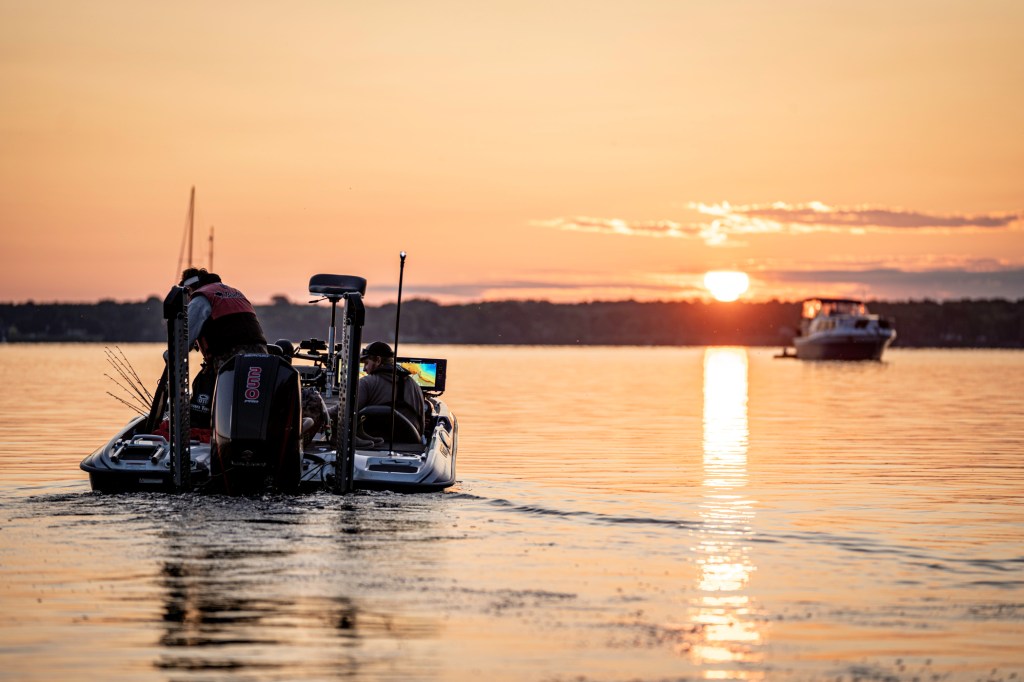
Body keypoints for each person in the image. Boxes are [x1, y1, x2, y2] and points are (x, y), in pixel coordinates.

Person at [179, 268, 268, 428]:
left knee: (203, 389)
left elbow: (184, 340)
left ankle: (203, 424)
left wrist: (171, 355)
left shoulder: (200, 298)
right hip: (262, 357)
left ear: (190, 289)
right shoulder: (235, 293)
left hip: (231, 359)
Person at [357, 341, 426, 439]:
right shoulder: (415, 386)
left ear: (378, 360)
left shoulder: (365, 383)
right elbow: (422, 427)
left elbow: (346, 413)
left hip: (374, 441)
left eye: (366, 363)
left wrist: (332, 410)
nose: (364, 369)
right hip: (410, 441)